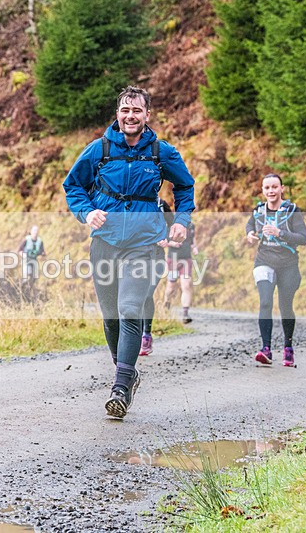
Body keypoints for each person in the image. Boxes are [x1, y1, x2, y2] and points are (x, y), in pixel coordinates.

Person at [63, 86, 195, 419]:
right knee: (110, 318)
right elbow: (73, 186)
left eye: (137, 110)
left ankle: (120, 387)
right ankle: (128, 372)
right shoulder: (99, 150)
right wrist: (87, 212)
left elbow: (185, 185)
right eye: (125, 110)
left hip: (144, 245)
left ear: (147, 115)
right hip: (104, 243)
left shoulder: (161, 152)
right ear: (117, 114)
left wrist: (181, 220)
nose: (130, 116)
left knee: (130, 308)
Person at [245, 173, 306, 368]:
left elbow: (303, 238)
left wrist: (279, 232)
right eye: (267, 188)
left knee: (285, 306)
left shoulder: (292, 210)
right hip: (264, 260)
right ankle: (266, 349)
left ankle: (288, 347)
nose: (271, 191)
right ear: (262, 191)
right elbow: (250, 224)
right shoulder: (258, 210)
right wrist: (250, 233)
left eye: (274, 187)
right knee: (265, 302)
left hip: (288, 264)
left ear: (282, 189)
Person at [140, 201, 174, 356]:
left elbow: (173, 225)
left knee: (146, 294)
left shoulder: (161, 204)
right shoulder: (132, 201)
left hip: (157, 257)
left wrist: (166, 239)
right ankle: (133, 335)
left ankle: (146, 335)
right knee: (134, 297)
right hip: (135, 257)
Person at [163, 220, 198, 324]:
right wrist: (172, 243)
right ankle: (167, 303)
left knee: (186, 285)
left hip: (186, 260)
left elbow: (192, 240)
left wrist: (194, 247)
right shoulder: (171, 224)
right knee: (171, 287)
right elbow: (163, 241)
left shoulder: (191, 225)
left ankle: (185, 314)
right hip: (173, 260)